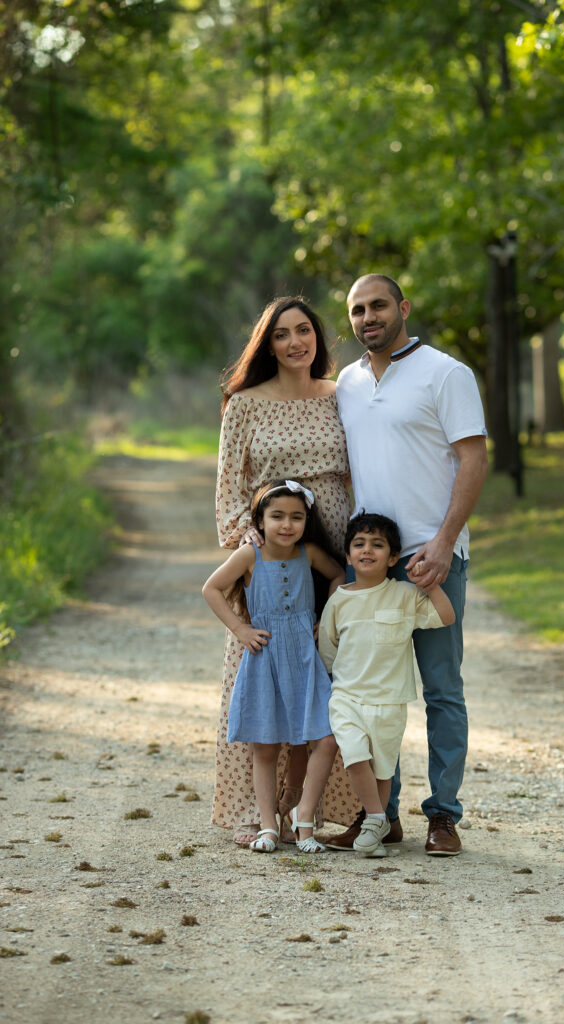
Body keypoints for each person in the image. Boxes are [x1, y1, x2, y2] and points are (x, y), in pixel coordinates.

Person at [328, 273, 488, 856]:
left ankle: (443, 817)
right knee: (370, 695)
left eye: (378, 305)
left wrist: (445, 541)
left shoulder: (446, 373)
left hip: (432, 559)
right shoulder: (345, 383)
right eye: (357, 310)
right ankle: (380, 815)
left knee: (442, 690)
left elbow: (473, 457)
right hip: (372, 563)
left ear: (403, 308)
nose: (368, 317)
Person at [212, 296, 359, 845]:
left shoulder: (340, 396)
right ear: (266, 344)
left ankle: (324, 809)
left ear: (318, 337)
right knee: (264, 672)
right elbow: (229, 491)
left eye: (304, 330)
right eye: (281, 334)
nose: (295, 342)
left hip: (333, 554)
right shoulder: (244, 404)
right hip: (274, 553)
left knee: (331, 679)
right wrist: (245, 543)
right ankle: (262, 814)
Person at [203, 479, 344, 853]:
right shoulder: (250, 554)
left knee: (320, 737)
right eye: (277, 516)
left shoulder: (309, 553)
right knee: (264, 747)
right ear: (260, 520)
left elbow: (337, 576)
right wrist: (240, 629)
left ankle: (299, 817)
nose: (287, 524)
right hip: (264, 657)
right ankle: (267, 825)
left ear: (306, 521)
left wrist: (325, 619)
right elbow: (211, 589)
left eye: (296, 517)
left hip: (303, 657)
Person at [318, 513, 454, 857]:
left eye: (377, 545)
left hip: (390, 701)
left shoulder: (405, 596)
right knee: (354, 753)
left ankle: (374, 829)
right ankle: (378, 816)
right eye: (359, 544)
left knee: (382, 768)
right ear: (347, 556)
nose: (367, 550)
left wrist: (429, 584)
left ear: (393, 558)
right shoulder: (339, 599)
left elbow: (445, 617)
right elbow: (328, 649)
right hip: (347, 696)